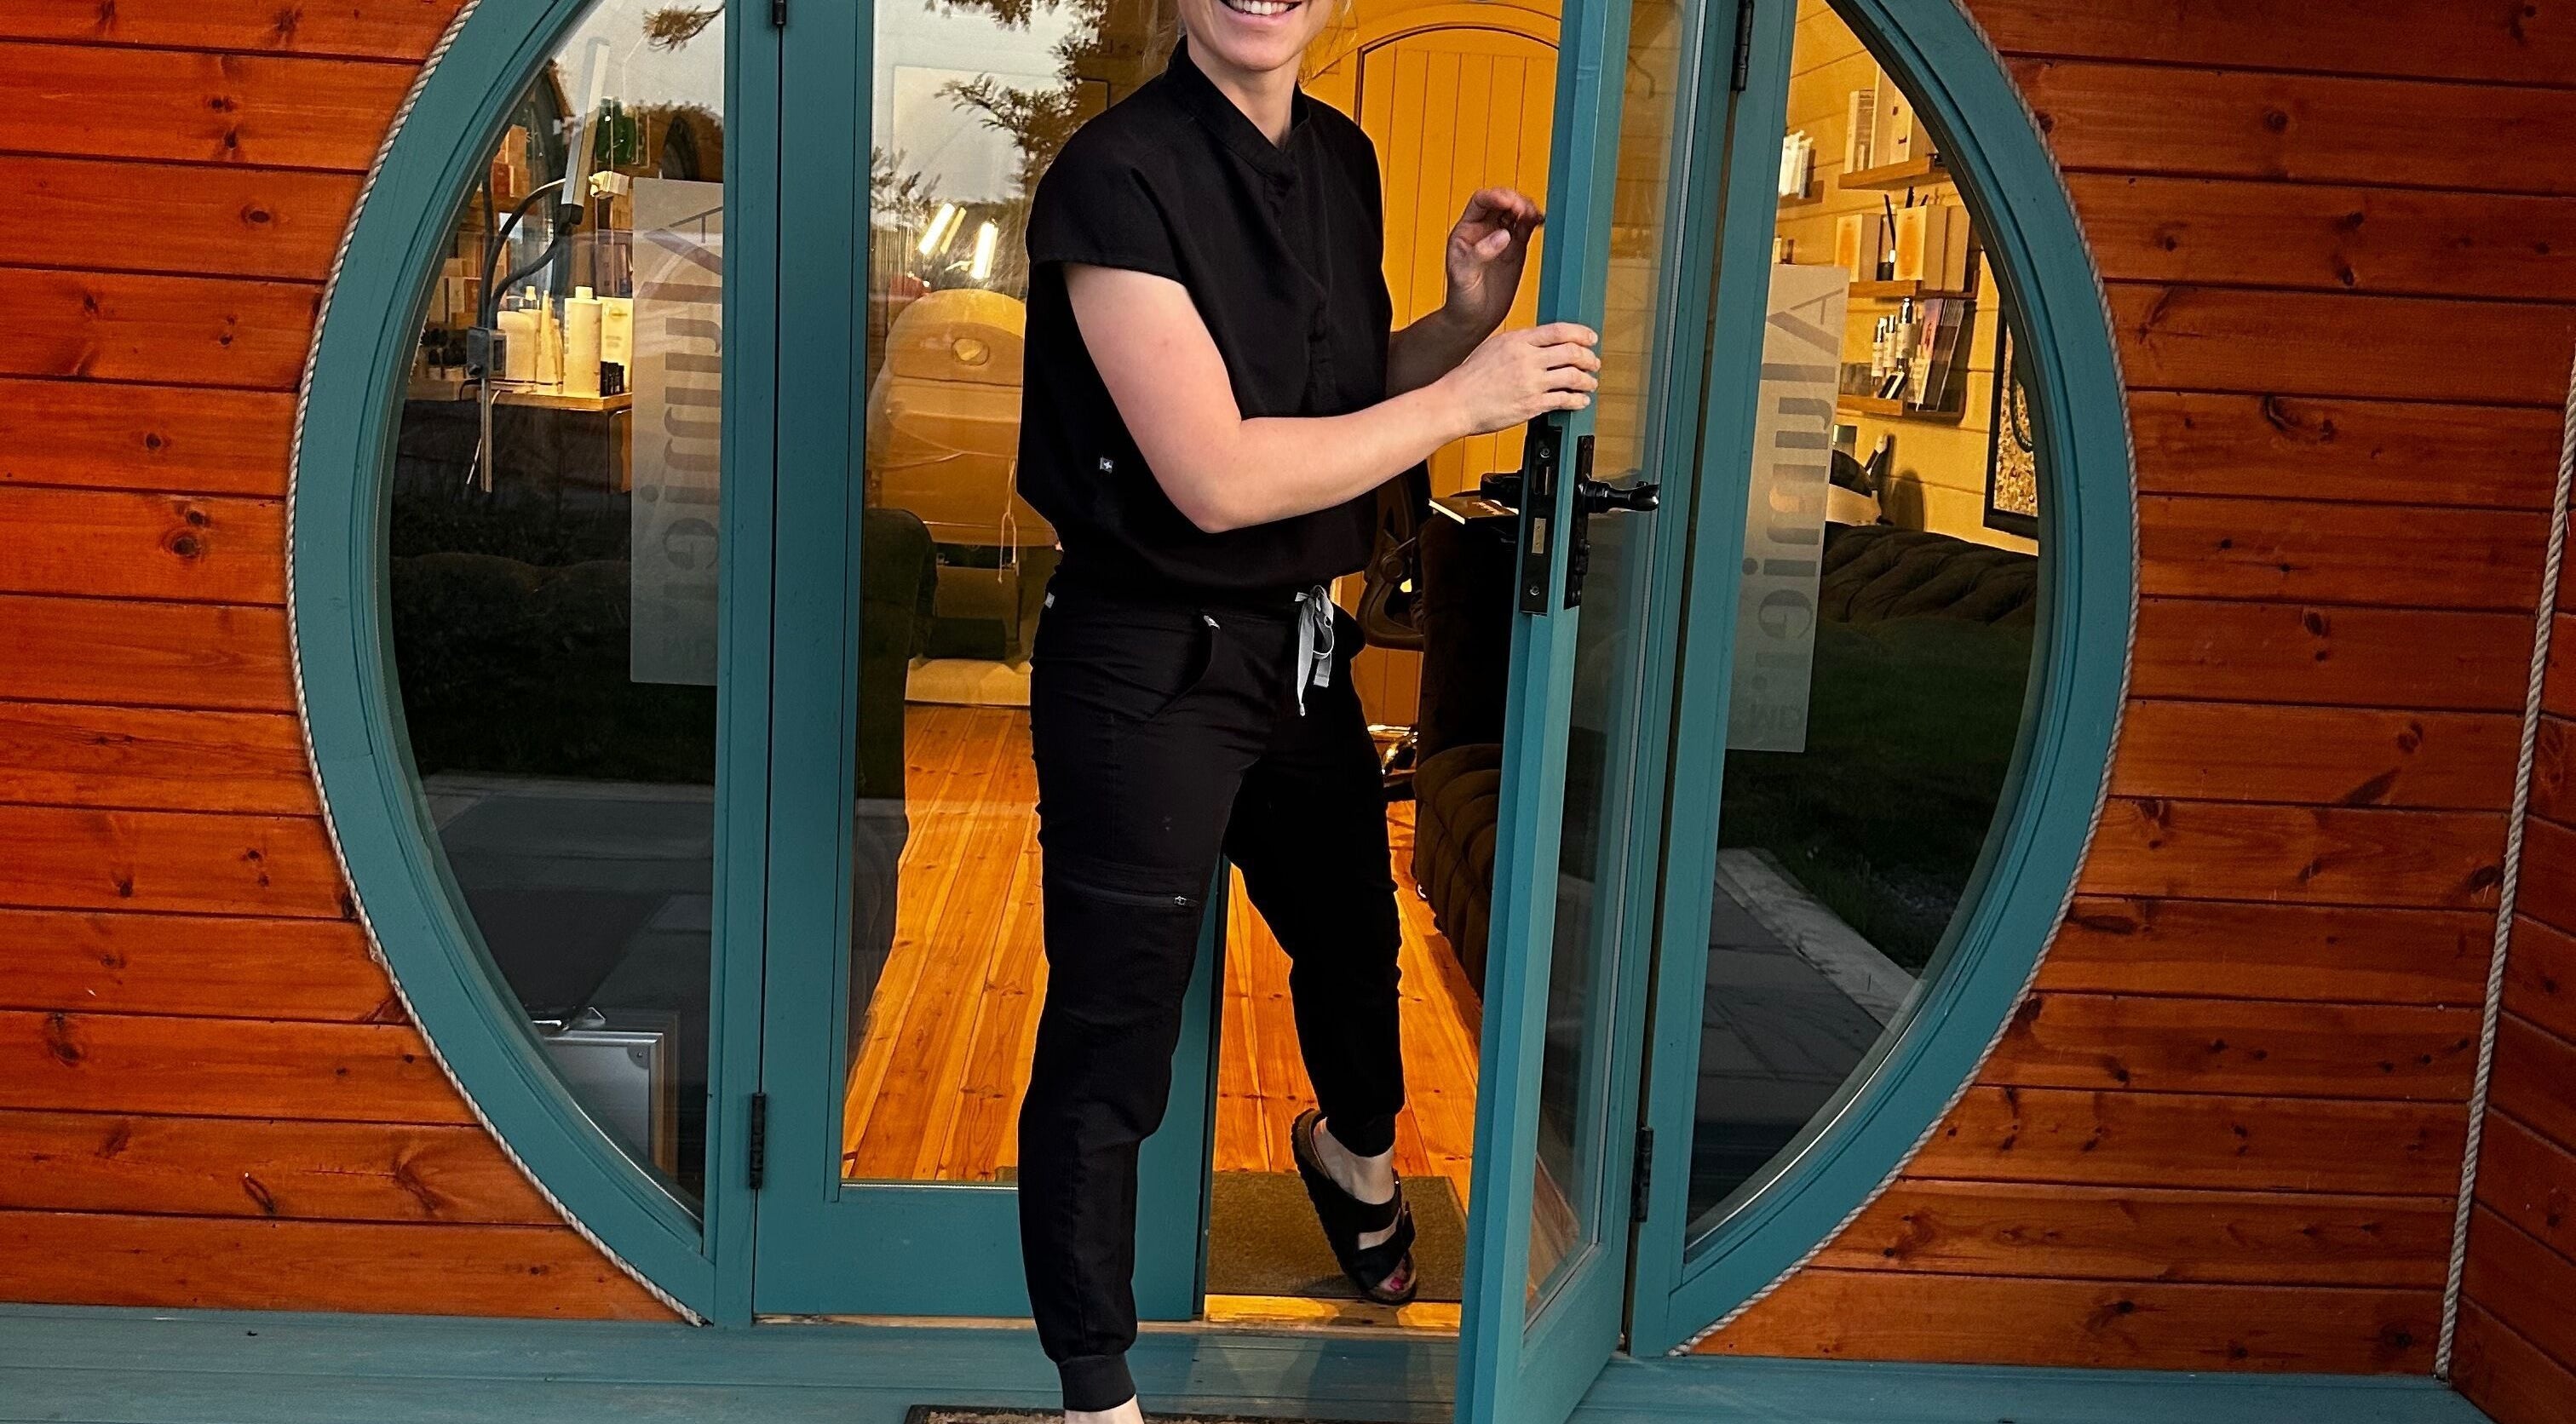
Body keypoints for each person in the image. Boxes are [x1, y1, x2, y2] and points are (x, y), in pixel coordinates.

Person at [1010, 0, 1599, 1415]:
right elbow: (1216, 472)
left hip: (1294, 645)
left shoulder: (1339, 156)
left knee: (1351, 936)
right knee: (1115, 1031)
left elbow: (1327, 398)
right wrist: (1473, 393)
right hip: (1143, 664)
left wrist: (1458, 320)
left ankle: (1348, 1152)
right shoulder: (1114, 177)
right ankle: (1096, 1389)